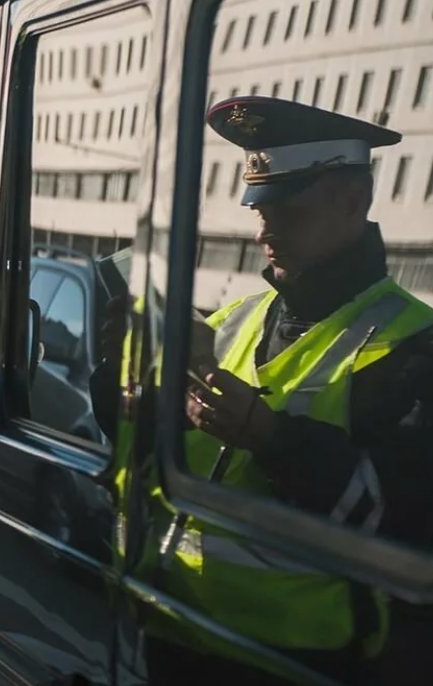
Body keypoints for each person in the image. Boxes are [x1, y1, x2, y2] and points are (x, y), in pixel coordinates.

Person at [145, 96, 433, 683]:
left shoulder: (414, 347)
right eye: (259, 208)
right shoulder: (230, 321)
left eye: (286, 209)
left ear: (353, 202)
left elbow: (405, 525)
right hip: (181, 637)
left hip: (305, 664)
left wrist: (273, 439)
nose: (264, 229)